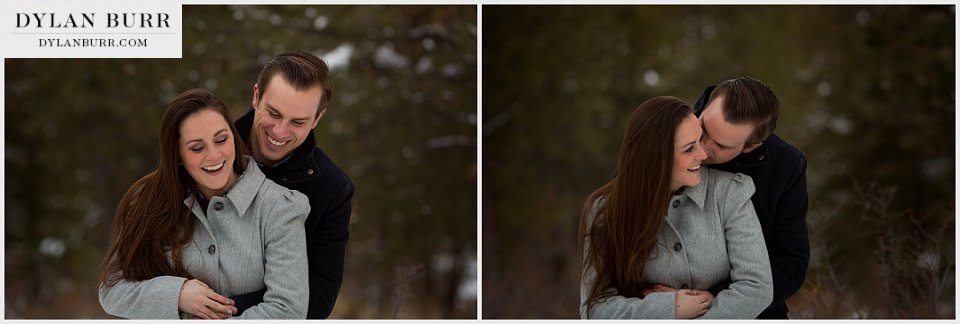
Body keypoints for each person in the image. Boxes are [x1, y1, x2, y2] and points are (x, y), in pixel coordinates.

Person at [97, 88, 310, 319]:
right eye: (197, 148)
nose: (214, 155)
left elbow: (288, 311)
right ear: (177, 154)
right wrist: (177, 295)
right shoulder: (147, 200)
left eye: (221, 139)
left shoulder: (279, 206)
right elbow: (112, 291)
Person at [578, 96, 773, 319]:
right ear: (656, 157)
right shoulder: (605, 210)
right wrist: (669, 308)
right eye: (690, 148)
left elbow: (756, 286)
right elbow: (594, 309)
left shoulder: (729, 193)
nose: (703, 154)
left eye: (700, 140)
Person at [228, 50, 355, 319]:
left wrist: (222, 311)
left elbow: (319, 295)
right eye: (273, 113)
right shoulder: (201, 151)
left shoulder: (332, 189)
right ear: (256, 96)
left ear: (317, 118)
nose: (280, 132)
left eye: (298, 122)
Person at [692, 77, 809, 319]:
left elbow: (790, 264)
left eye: (720, 146)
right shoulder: (660, 132)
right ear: (704, 109)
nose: (702, 149)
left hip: (754, 310)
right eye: (703, 129)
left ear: (751, 147)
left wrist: (713, 297)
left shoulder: (786, 166)